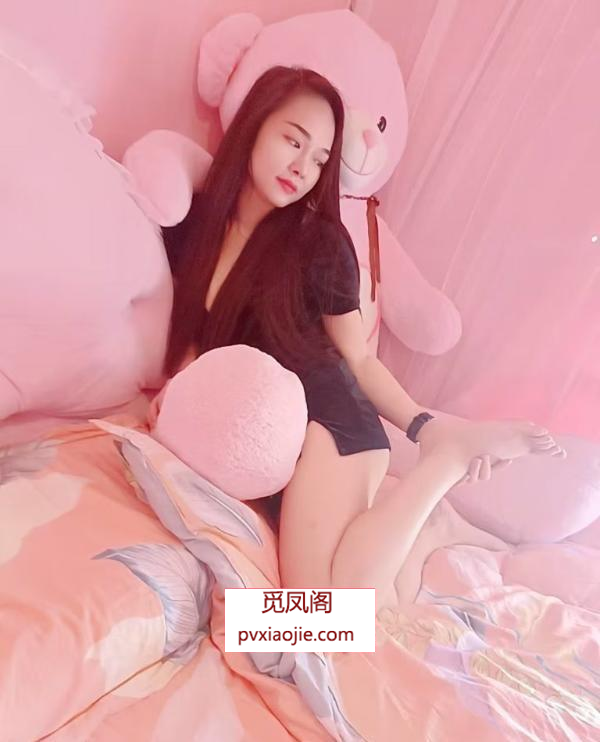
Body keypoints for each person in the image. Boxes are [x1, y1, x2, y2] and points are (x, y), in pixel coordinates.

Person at [150, 66, 565, 610]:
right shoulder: (193, 228)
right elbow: (194, 342)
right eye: (293, 141)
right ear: (254, 126)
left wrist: (422, 426)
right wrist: (175, 396)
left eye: (320, 158)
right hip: (268, 438)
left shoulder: (319, 242)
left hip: (333, 421)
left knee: (320, 617)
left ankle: (443, 464)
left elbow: (358, 359)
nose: (303, 168)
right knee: (369, 605)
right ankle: (426, 530)